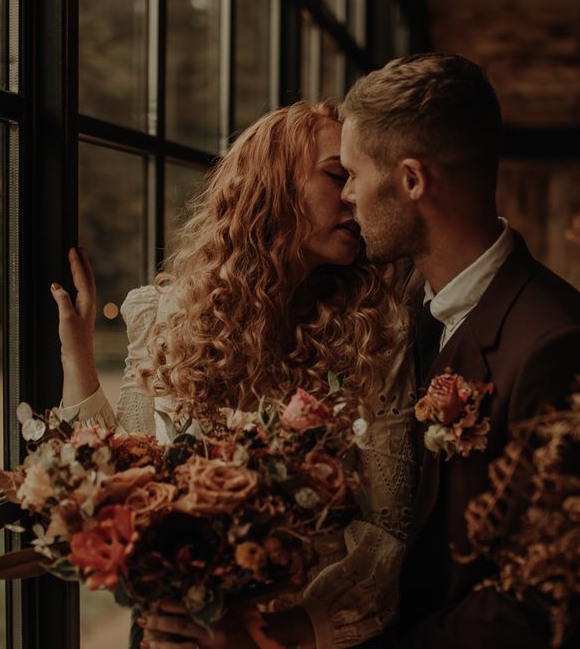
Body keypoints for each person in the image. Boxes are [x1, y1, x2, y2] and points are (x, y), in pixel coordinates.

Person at [51, 101, 415, 648]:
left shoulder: (375, 335)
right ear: (272, 185)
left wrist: (268, 633)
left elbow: (389, 534)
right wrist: (76, 355)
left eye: (354, 179)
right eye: (336, 174)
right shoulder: (164, 316)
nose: (350, 196)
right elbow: (126, 475)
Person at [338, 53, 580, 647]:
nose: (347, 197)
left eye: (353, 174)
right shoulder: (408, 308)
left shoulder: (562, 344)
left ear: (412, 180)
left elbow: (548, 604)